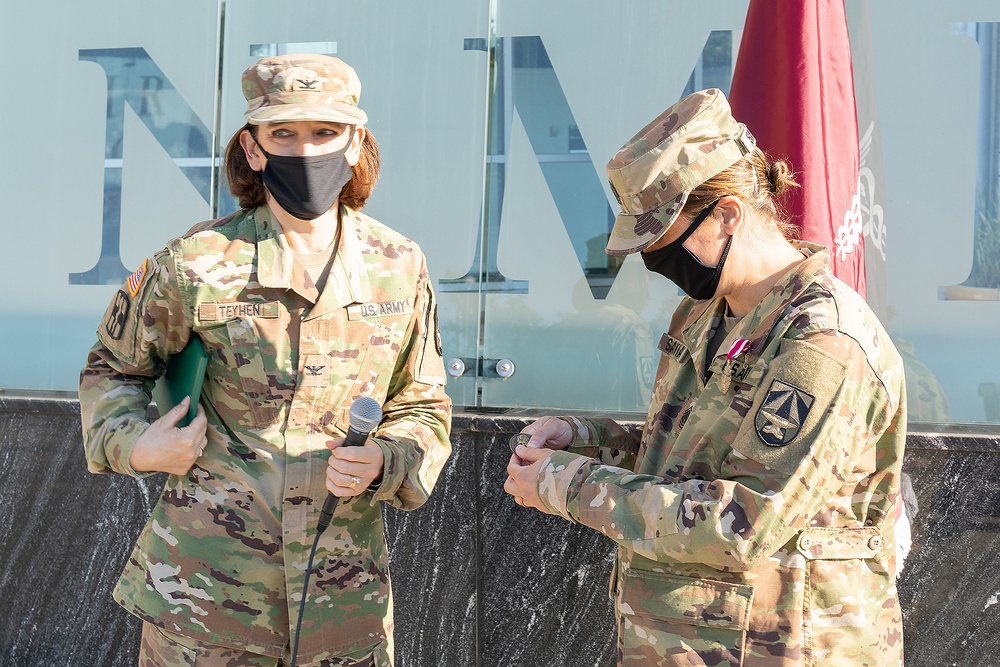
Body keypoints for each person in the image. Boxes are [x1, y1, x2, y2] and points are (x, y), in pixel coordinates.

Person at [504, 88, 906, 666]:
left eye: (666, 243)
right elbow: (680, 461)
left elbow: (742, 520)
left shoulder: (822, 342)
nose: (657, 262)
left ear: (727, 215)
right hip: (682, 642)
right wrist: (582, 439)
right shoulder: (704, 315)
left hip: (785, 648)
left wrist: (566, 485)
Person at [80, 54, 452, 667]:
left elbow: (423, 402)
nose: (305, 152)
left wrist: (387, 458)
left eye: (325, 133)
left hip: (343, 600)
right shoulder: (196, 263)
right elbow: (110, 371)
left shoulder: (398, 265)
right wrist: (138, 444)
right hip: (205, 598)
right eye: (284, 133)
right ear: (254, 149)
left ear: (356, 143)